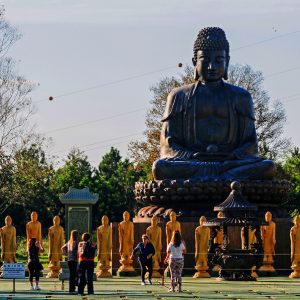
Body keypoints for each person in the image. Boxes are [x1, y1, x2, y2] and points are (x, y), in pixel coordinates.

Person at [152, 27, 275, 181]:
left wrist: (234, 155)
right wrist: (190, 155)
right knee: (161, 167)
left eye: (218, 60)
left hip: (230, 163)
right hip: (193, 163)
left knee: (267, 166)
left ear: (227, 61)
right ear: (194, 62)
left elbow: (251, 144)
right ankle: (225, 180)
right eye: (205, 60)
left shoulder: (241, 96)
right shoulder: (179, 96)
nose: (212, 67)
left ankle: (212, 179)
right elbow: (167, 144)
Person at [61, 230, 79, 294]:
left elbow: (62, 248)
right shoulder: (76, 242)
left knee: (72, 275)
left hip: (69, 260)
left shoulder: (69, 242)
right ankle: (72, 289)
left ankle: (71, 289)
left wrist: (66, 254)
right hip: (75, 260)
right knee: (74, 275)